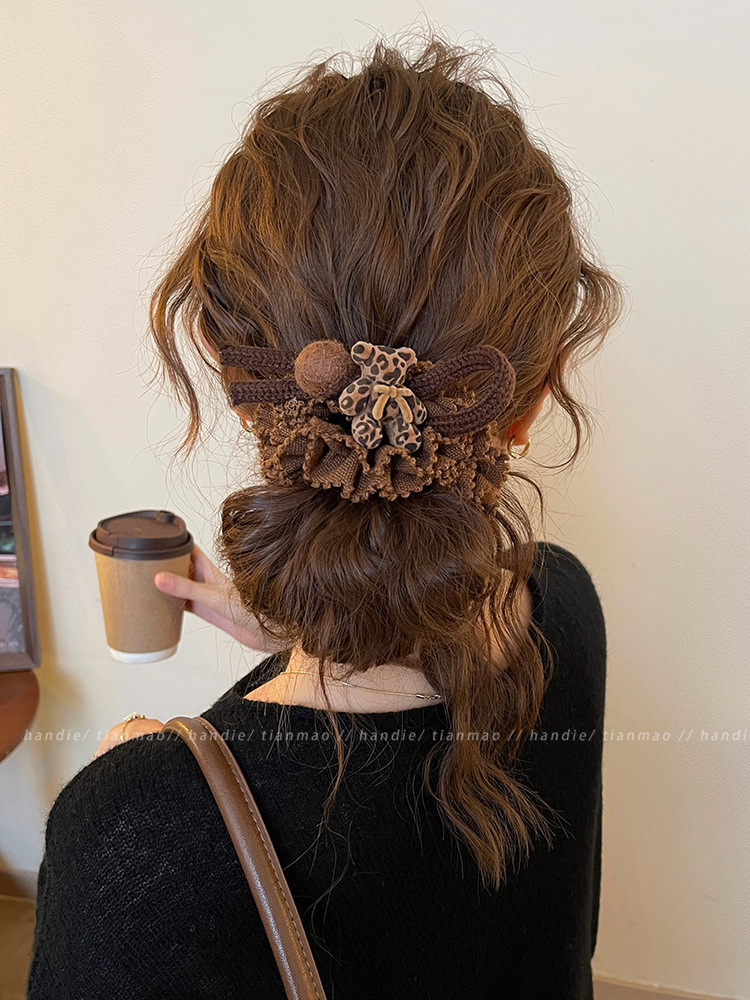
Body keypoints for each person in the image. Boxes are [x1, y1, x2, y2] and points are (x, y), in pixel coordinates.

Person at [27, 33, 625, 1000]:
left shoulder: (143, 839)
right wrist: (300, 629)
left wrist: (139, 819)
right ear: (529, 400)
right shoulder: (563, 606)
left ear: (241, 389)